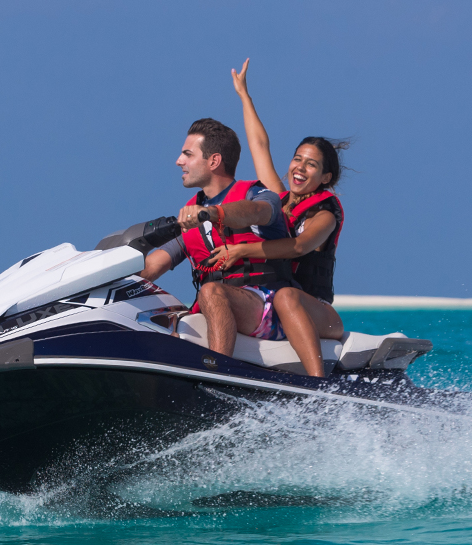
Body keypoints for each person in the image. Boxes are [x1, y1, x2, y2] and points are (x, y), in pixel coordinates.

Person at [139, 118, 332, 375]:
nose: (179, 161)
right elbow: (152, 266)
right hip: (228, 309)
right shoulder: (190, 220)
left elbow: (256, 212)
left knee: (210, 292)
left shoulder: (261, 196)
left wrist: (211, 213)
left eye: (187, 154)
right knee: (161, 320)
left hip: (271, 307)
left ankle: (217, 377)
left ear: (214, 161)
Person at [203, 59, 348, 372]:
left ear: (325, 178)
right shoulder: (281, 201)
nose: (300, 167)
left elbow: (299, 247)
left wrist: (241, 250)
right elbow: (259, 146)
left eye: (311, 164)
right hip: (274, 304)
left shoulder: (326, 213)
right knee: (228, 293)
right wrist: (244, 96)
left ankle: (318, 385)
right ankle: (219, 374)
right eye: (298, 159)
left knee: (285, 296)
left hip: (319, 312)